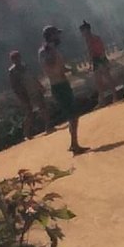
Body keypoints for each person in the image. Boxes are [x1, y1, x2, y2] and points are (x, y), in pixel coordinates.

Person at [39, 26, 88, 155]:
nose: (59, 37)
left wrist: (69, 69)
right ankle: (74, 145)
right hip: (59, 86)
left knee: (73, 116)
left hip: (62, 84)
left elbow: (58, 67)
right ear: (51, 36)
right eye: (56, 35)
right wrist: (54, 53)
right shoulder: (46, 52)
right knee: (72, 115)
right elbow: (51, 68)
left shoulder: (50, 50)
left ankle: (74, 143)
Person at [7, 50, 52, 139]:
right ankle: (26, 133)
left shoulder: (25, 66)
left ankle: (48, 126)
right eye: (15, 58)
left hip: (34, 89)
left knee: (43, 107)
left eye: (18, 57)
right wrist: (20, 96)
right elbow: (14, 86)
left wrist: (40, 86)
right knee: (29, 113)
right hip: (24, 93)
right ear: (12, 60)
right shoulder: (12, 71)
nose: (17, 60)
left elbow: (33, 77)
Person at [79, 21, 118, 106]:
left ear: (86, 30)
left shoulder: (90, 39)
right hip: (100, 59)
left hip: (98, 60)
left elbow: (91, 51)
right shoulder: (96, 37)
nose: (82, 33)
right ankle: (108, 98)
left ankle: (106, 99)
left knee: (101, 81)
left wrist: (90, 63)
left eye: (82, 31)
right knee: (104, 79)